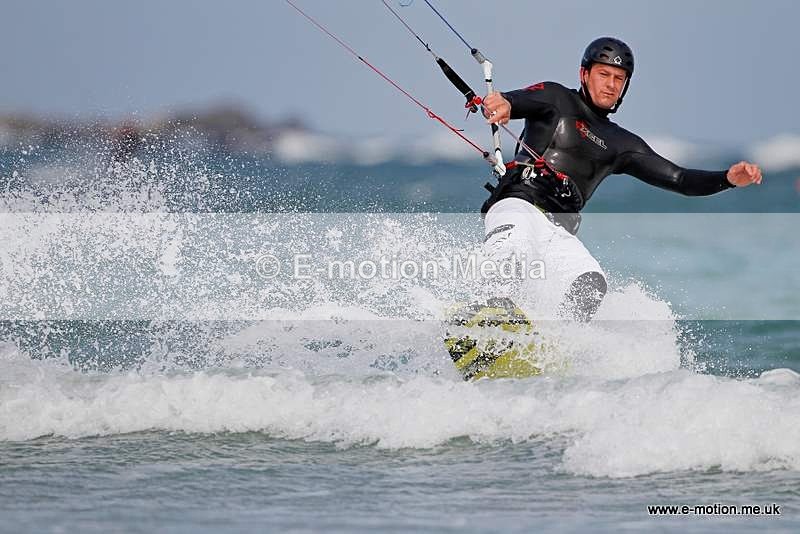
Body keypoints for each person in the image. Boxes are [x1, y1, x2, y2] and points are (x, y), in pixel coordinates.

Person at [479, 37, 762, 322]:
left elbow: (680, 178)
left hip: (559, 230)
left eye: (619, 78)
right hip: (518, 206)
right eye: (604, 74)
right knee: (512, 255)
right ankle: (489, 318)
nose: (611, 84)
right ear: (584, 74)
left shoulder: (621, 144)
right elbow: (515, 100)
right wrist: (504, 103)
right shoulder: (556, 98)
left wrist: (727, 178)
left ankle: (551, 345)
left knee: (590, 282)